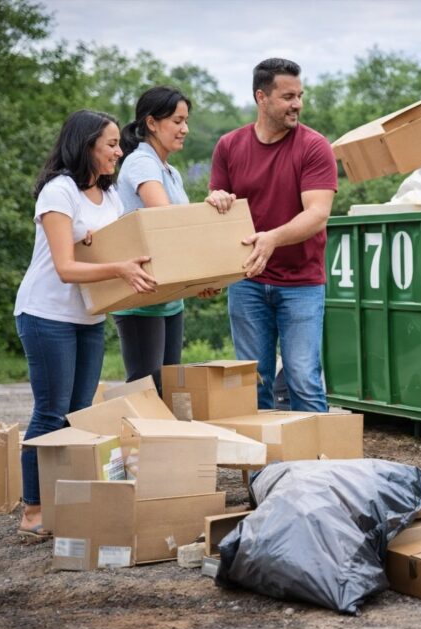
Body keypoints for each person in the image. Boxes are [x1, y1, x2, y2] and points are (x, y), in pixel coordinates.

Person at [14, 110, 157, 539]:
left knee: (78, 415)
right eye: (111, 144)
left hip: (87, 317)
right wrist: (120, 268)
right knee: (51, 411)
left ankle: (67, 502)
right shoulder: (59, 193)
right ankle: (33, 509)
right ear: (86, 145)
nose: (119, 151)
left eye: (118, 144)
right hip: (46, 314)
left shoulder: (109, 196)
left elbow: (120, 250)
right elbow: (66, 268)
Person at [209, 58, 337, 412]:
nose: (297, 104)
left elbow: (318, 214)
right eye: (287, 96)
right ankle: (264, 467)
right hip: (247, 280)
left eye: (300, 95)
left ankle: (318, 466)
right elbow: (218, 209)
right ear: (261, 98)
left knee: (303, 377)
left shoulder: (314, 147)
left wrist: (271, 238)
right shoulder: (229, 146)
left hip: (301, 283)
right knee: (252, 382)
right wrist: (216, 199)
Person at [114, 86, 236, 393]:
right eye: (178, 121)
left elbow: (180, 237)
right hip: (143, 299)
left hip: (169, 299)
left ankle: (162, 442)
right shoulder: (141, 162)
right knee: (146, 389)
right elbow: (167, 222)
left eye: (186, 121)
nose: (185, 129)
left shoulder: (171, 171)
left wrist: (202, 279)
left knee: (168, 389)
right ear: (152, 123)